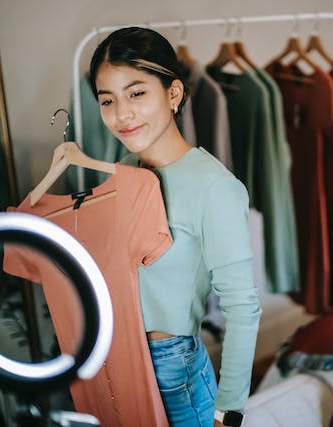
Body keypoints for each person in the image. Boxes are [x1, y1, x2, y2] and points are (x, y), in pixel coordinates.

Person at [87, 26, 261, 427]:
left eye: (136, 93)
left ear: (174, 93)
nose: (121, 114)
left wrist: (228, 411)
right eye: (107, 100)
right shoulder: (123, 174)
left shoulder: (214, 186)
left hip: (173, 372)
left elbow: (242, 308)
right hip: (115, 357)